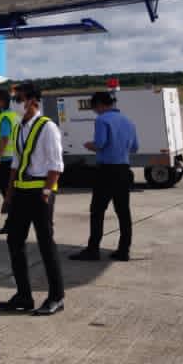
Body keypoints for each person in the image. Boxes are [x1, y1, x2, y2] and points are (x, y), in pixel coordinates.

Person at [0, 82, 65, 316]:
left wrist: (46, 193)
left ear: (33, 100)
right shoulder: (19, 127)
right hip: (21, 193)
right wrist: (9, 194)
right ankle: (23, 295)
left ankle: (56, 296)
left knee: (46, 244)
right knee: (14, 241)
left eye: (20, 99)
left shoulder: (48, 127)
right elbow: (16, 162)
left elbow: (56, 165)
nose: (17, 103)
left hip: (40, 193)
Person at [70, 91, 139, 262]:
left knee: (97, 211)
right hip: (124, 169)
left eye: (94, 107)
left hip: (107, 171)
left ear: (100, 104)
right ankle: (124, 250)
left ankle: (93, 250)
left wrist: (89, 145)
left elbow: (100, 144)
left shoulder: (102, 120)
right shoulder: (128, 121)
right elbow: (135, 148)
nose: (95, 111)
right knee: (123, 212)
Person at [0, 89, 19, 234]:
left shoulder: (6, 118)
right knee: (11, 192)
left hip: (6, 160)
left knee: (7, 193)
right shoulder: (11, 115)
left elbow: (4, 138)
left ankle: (12, 223)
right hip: (12, 158)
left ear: (1, 100)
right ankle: (13, 222)